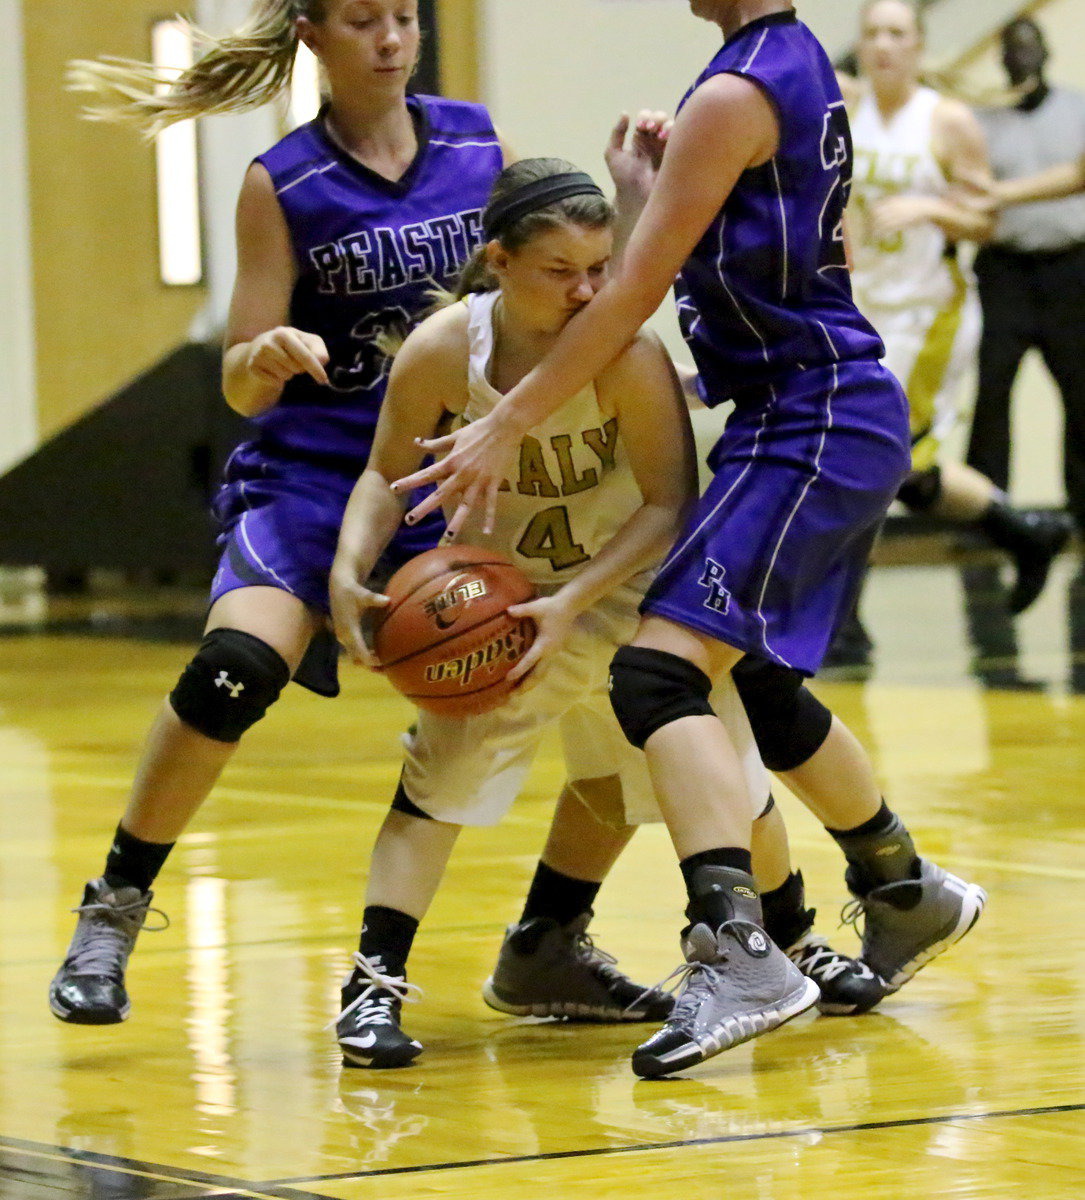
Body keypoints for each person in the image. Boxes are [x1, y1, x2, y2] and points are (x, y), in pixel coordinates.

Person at [390, 0, 987, 1078]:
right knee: (744, 676)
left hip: (809, 415)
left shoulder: (731, 90)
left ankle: (741, 955)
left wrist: (507, 419)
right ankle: (901, 888)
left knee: (657, 677)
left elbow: (631, 292)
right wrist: (637, 198)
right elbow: (718, 254)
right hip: (798, 409)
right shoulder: (786, 61)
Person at [327, 158, 882, 1068]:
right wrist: (349, 568)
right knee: (434, 787)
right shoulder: (443, 349)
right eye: (561, 272)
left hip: (623, 593)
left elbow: (667, 505)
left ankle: (786, 941)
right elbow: (383, 477)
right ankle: (371, 984)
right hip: (500, 608)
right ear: (499, 261)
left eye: (598, 268)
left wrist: (573, 601)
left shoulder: (626, 353)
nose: (587, 291)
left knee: (725, 782)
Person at [49, 0, 512, 1025]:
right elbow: (239, 386)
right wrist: (260, 355)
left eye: (403, 17)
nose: (390, 39)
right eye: (362, 20)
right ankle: (115, 904)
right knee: (233, 671)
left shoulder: (478, 146)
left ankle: (546, 937)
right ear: (311, 34)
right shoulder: (284, 181)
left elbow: (534, 295)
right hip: (313, 476)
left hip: (442, 478)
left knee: (555, 687)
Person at [834, 0, 1071, 668]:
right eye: (872, 33)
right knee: (904, 467)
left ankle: (843, 621)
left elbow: (985, 221)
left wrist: (930, 207)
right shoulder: (847, 112)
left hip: (928, 313)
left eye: (896, 33)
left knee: (866, 457)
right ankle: (1024, 528)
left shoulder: (946, 120)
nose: (883, 45)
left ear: (918, 46)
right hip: (868, 306)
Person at [966, 15, 1085, 536]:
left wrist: (1001, 194)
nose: (1021, 57)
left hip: (1070, 270)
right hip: (1004, 271)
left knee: (1080, 392)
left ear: (1046, 53)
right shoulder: (979, 122)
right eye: (1011, 49)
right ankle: (988, 515)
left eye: (1030, 46)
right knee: (992, 393)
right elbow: (968, 195)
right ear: (1001, 60)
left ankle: (1082, 513)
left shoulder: (1078, 110)